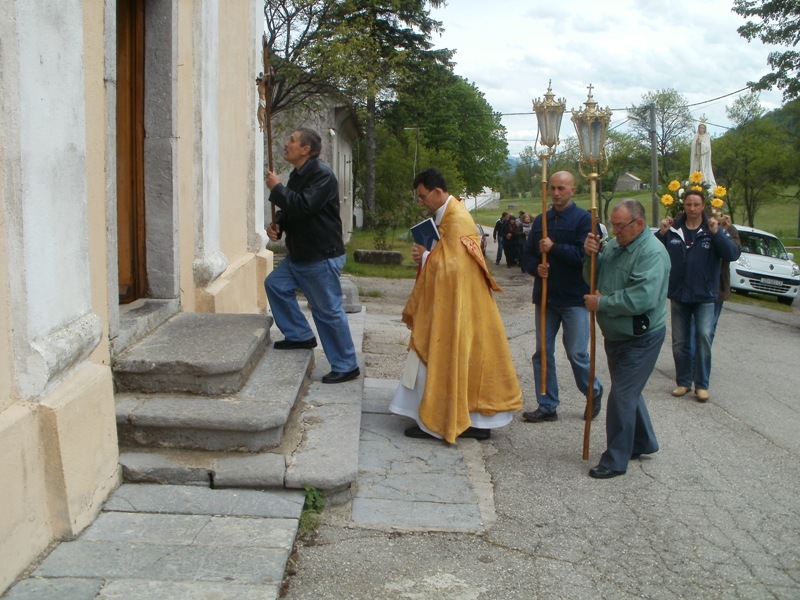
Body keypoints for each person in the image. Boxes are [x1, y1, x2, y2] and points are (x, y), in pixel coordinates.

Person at [389, 168, 522, 443]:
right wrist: (427, 256)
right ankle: (464, 419)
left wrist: (426, 256)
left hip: (459, 305)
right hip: (457, 302)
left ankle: (442, 421)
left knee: (450, 356)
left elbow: (455, 269)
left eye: (423, 196)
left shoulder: (458, 219)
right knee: (462, 359)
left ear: (438, 192)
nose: (420, 202)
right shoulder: (448, 215)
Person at [582, 199, 671, 479]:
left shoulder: (652, 254)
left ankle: (615, 459)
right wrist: (590, 256)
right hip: (616, 335)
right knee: (627, 390)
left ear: (639, 224)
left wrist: (603, 303)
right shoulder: (614, 246)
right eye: (612, 225)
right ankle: (643, 442)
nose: (614, 231)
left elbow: (642, 298)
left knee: (621, 394)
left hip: (640, 336)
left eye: (619, 226)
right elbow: (592, 279)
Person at [264, 127, 360, 385]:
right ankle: (299, 335)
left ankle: (346, 364)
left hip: (320, 255)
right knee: (275, 285)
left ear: (305, 149)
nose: (286, 144)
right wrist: (278, 225)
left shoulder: (322, 175)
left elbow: (304, 206)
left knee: (327, 310)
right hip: (301, 254)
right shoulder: (299, 173)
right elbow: (291, 209)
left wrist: (277, 189)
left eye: (292, 141)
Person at [521, 171, 603, 423]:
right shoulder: (541, 221)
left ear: (573, 190)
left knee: (577, 352)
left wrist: (553, 248)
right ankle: (547, 405)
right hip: (546, 297)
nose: (556, 193)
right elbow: (526, 255)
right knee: (542, 353)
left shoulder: (584, 221)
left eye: (561, 189)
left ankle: (593, 391)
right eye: (553, 188)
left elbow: (584, 257)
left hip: (575, 298)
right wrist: (537, 267)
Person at [655, 191, 740, 402]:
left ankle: (701, 385)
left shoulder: (712, 228)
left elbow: (732, 254)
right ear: (683, 205)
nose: (692, 208)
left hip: (705, 295)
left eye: (696, 204)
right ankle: (683, 382)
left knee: (703, 336)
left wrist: (717, 233)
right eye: (689, 204)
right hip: (679, 294)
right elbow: (653, 252)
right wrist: (661, 234)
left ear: (703, 206)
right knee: (680, 341)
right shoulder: (674, 228)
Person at [689, 123, 716, 189]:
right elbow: (692, 146)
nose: (701, 129)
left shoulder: (706, 136)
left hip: (703, 158)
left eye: (703, 128)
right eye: (700, 127)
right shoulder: (696, 136)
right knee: (695, 169)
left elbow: (708, 147)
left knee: (703, 170)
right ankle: (695, 183)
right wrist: (696, 143)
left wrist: (701, 143)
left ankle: (704, 182)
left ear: (705, 129)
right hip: (696, 157)